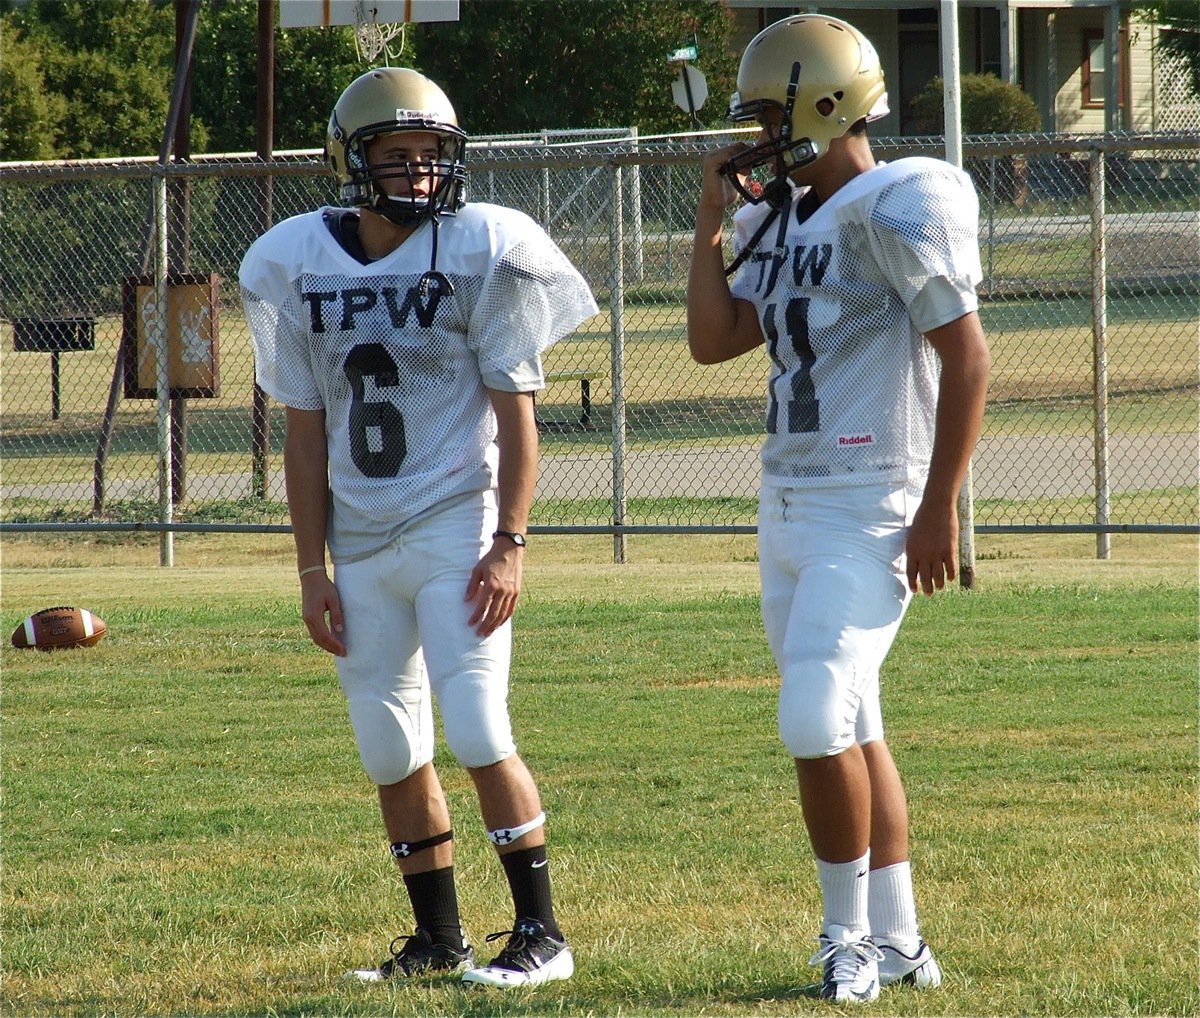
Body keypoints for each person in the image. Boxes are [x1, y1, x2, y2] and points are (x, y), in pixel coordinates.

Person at [239, 66, 597, 988]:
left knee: (478, 728)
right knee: (391, 748)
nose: (419, 174)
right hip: (358, 539)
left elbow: (518, 412)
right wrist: (309, 568)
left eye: (431, 154)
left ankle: (542, 934)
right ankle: (439, 940)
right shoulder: (291, 259)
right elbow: (306, 436)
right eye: (396, 155)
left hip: (454, 522)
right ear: (350, 162)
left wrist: (511, 541)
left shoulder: (485, 245)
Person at [687, 14, 991, 1004]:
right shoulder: (775, 217)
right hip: (787, 504)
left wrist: (942, 504)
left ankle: (843, 937)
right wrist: (706, 222)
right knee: (853, 721)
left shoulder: (901, 200)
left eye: (770, 114)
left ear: (824, 104)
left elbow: (967, 356)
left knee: (815, 716)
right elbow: (713, 338)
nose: (757, 135)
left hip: (871, 502)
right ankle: (901, 943)